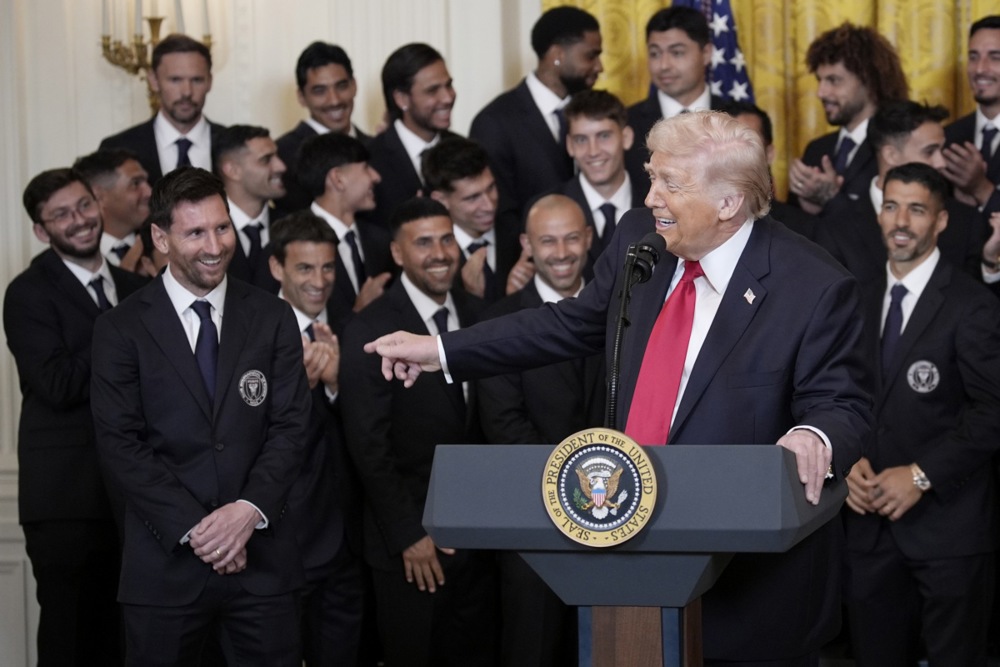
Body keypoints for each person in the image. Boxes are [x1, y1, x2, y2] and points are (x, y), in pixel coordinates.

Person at [364, 111, 873, 665]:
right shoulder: (641, 239)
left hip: (749, 588)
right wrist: (441, 350)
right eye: (651, 176)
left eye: (669, 184)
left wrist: (811, 434)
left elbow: (839, 402)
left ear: (728, 203)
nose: (650, 198)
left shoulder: (814, 285)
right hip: (626, 552)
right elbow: (570, 323)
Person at [90, 167, 312, 666]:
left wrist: (247, 512)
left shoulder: (272, 316)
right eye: (195, 233)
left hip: (263, 568)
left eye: (222, 227)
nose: (214, 245)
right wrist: (202, 531)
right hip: (164, 571)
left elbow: (292, 426)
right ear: (160, 238)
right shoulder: (119, 328)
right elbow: (121, 444)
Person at [843, 162, 1000, 666]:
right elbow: (834, 397)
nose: (901, 221)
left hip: (948, 531)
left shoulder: (972, 305)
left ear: (941, 221)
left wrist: (921, 475)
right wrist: (844, 462)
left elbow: (993, 411)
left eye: (916, 209)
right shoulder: (854, 300)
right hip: (867, 529)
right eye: (891, 206)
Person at [339, 197, 496, 667]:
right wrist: (409, 534)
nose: (440, 252)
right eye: (423, 242)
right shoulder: (371, 327)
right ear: (398, 253)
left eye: (446, 238)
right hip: (411, 547)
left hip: (480, 538)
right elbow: (368, 444)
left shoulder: (480, 315)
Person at [4, 168, 148, 666]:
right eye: (61, 215)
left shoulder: (135, 287)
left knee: (130, 638)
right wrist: (121, 333)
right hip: (66, 501)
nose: (80, 221)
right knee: (72, 640)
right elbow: (58, 384)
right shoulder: (27, 293)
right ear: (42, 231)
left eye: (84, 205)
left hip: (137, 496)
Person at [477, 194, 601, 667]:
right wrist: (581, 495)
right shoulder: (498, 324)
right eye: (548, 241)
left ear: (589, 238)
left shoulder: (627, 316)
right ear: (527, 245)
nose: (562, 251)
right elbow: (506, 429)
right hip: (534, 528)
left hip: (621, 521)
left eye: (572, 238)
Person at [267, 211, 365, 667]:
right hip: (279, 543)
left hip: (350, 539)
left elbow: (379, 432)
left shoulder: (357, 327)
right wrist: (302, 392)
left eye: (328, 267)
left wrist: (338, 384)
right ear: (276, 268)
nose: (319, 280)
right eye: (305, 268)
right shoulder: (251, 332)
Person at [815, 100, 985, 285]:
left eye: (941, 150)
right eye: (929, 152)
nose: (941, 163)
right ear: (891, 155)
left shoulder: (967, 221)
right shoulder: (835, 229)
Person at [470, 6, 602, 221]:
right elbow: (500, 213)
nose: (599, 67)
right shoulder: (495, 122)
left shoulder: (591, 113)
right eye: (591, 56)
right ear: (557, 54)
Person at [788, 23, 908, 215]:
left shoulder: (898, 146)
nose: (821, 93)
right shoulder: (816, 150)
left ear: (869, 81)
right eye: (820, 80)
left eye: (834, 80)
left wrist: (833, 198)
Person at [297, 132, 394, 333]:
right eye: (366, 168)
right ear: (338, 179)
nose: (376, 177)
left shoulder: (382, 240)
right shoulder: (291, 241)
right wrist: (359, 312)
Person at [99, 34, 225, 185]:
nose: (187, 92)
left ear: (210, 81)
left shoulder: (235, 147)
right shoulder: (117, 148)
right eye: (175, 80)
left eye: (196, 80)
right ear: (153, 81)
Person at [626, 6, 723, 195]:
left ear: (706, 53)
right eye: (655, 54)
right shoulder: (626, 123)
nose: (663, 65)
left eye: (677, 53)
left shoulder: (736, 118)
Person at [422, 137, 529, 303]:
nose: (489, 205)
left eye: (491, 188)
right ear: (441, 200)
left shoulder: (519, 233)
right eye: (473, 198)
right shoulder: (430, 259)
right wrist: (472, 299)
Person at [367, 43, 459, 227]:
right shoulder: (372, 161)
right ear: (402, 99)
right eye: (433, 90)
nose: (448, 98)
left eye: (448, 85)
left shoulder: (463, 149)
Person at [555, 89, 645, 273]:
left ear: (626, 138)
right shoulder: (550, 208)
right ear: (569, 146)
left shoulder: (658, 202)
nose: (593, 151)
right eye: (581, 140)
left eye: (604, 136)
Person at [276, 42, 370, 213]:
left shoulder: (378, 147)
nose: (334, 100)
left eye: (341, 86)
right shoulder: (282, 155)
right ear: (301, 97)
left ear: (354, 85)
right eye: (320, 91)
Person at [719, 100, 819, 240]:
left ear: (770, 154)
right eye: (724, 145)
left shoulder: (803, 230)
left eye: (748, 144)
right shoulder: (691, 225)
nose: (736, 157)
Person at [213, 124, 288, 292]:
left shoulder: (293, 226)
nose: (281, 166)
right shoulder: (205, 231)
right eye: (266, 160)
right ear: (232, 170)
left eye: (277, 157)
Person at [943, 16, 1000, 220]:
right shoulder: (948, 137)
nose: (980, 69)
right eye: (973, 56)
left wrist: (981, 189)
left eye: (995, 57)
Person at [73, 148, 152, 266]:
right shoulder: (68, 260)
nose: (149, 192)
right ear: (98, 196)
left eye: (146, 182)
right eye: (135, 183)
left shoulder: (162, 246)